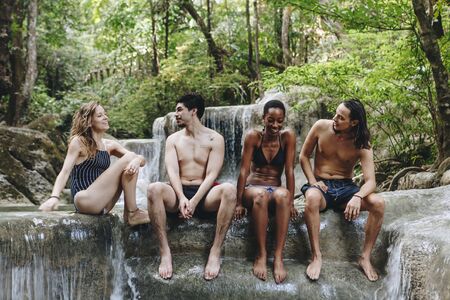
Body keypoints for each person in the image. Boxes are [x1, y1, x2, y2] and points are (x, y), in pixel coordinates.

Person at [147, 93, 236, 281]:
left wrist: (195, 201)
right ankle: (165, 253)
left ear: (193, 111)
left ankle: (215, 251)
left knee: (229, 189)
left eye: (179, 110)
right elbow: (172, 171)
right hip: (179, 192)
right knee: (154, 188)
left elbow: (212, 174)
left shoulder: (215, 138)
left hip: (205, 194)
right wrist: (181, 198)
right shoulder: (173, 139)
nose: (176, 114)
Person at [299, 99, 384, 281]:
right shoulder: (321, 126)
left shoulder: (362, 142)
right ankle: (316, 256)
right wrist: (313, 182)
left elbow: (371, 182)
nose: (334, 119)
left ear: (353, 123)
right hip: (321, 185)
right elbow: (304, 156)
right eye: (335, 114)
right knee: (312, 198)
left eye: (340, 117)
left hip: (346, 188)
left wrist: (357, 196)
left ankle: (365, 257)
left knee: (378, 203)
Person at [39, 101, 150, 227]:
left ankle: (131, 213)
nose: (106, 117)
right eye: (100, 115)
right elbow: (65, 172)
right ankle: (133, 213)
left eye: (105, 114)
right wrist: (54, 197)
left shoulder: (110, 145)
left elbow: (142, 160)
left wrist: (136, 160)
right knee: (130, 157)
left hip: (104, 204)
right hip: (84, 199)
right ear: (89, 121)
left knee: (129, 167)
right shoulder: (79, 142)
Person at [235, 100, 298, 284]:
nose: (275, 125)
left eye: (279, 121)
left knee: (283, 195)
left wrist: (291, 202)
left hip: (275, 189)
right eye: (271, 120)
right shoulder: (253, 137)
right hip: (253, 189)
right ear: (263, 118)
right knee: (261, 195)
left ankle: (278, 256)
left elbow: (290, 171)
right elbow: (243, 171)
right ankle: (261, 254)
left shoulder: (287, 137)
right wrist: (239, 202)